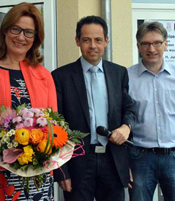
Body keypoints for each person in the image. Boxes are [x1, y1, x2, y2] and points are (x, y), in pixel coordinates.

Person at [0, 3, 57, 200]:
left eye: (28, 32)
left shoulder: (44, 75)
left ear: (36, 38)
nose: (21, 37)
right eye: (15, 29)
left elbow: (52, 123)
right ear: (5, 31)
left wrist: (36, 150)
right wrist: (11, 149)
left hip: (38, 171)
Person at [52, 16, 135, 201]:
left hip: (113, 160)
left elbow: (129, 109)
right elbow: (55, 126)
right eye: (86, 40)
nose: (92, 45)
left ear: (106, 41)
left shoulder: (119, 73)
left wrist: (126, 127)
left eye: (98, 40)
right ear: (77, 41)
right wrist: (61, 170)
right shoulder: (60, 77)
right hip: (78, 161)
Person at [127, 22, 175, 201]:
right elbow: (122, 120)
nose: (151, 48)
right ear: (138, 46)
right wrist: (124, 163)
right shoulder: (127, 78)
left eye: (157, 43)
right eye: (145, 43)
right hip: (140, 158)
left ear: (166, 44)